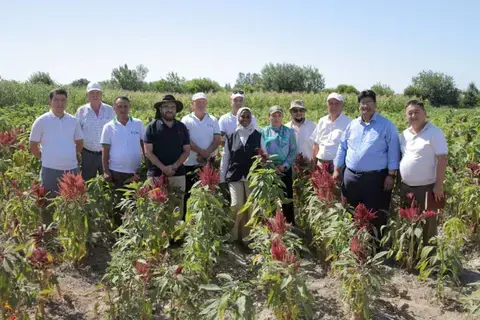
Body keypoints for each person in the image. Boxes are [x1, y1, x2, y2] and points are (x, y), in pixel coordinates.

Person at [333, 90, 400, 234]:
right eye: (363, 103)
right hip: (351, 177)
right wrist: (337, 169)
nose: (366, 106)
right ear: (359, 106)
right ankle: (356, 245)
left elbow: (393, 151)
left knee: (375, 216)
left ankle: (376, 247)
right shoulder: (352, 125)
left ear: (375, 105)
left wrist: (391, 175)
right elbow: (342, 147)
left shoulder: (386, 126)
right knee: (352, 213)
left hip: (375, 179)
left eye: (369, 103)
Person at [29, 88, 83, 224]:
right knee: (48, 202)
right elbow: (33, 145)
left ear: (66, 102)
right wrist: (44, 157)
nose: (60, 103)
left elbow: (79, 143)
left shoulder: (73, 121)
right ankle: (49, 234)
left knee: (72, 202)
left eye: (63, 100)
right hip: (50, 170)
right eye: (56, 100)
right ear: (50, 101)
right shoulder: (42, 121)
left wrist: (67, 155)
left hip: (71, 168)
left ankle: (68, 231)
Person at [399, 100, 447, 243]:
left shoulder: (434, 132)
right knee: (408, 223)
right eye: (410, 113)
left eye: (417, 112)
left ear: (425, 113)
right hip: (406, 186)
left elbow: (442, 159)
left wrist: (438, 186)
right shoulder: (404, 135)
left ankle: (429, 258)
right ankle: (411, 255)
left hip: (427, 187)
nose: (413, 115)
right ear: (406, 116)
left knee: (427, 224)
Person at [220, 107, 266, 244]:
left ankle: (248, 238)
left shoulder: (258, 135)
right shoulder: (231, 136)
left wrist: (264, 166)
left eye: (248, 117)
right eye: (242, 116)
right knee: (236, 204)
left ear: (251, 118)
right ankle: (233, 235)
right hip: (234, 175)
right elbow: (225, 157)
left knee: (251, 207)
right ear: (238, 118)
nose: (245, 119)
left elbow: (264, 155)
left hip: (252, 176)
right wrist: (221, 177)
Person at [144, 95, 191, 217]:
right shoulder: (152, 127)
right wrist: (163, 168)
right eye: (166, 106)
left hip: (178, 173)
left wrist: (174, 167)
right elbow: (148, 152)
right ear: (160, 109)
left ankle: (176, 236)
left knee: (177, 209)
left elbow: (186, 151)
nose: (169, 109)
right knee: (157, 209)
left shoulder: (181, 127)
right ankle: (158, 236)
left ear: (176, 109)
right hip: (156, 174)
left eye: (172, 106)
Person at [181, 93, 220, 216]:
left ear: (206, 104)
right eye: (198, 102)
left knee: (208, 195)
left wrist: (207, 152)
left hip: (208, 163)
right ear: (192, 104)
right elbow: (185, 139)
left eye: (203, 102)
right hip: (190, 163)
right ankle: (189, 222)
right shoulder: (186, 120)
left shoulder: (213, 120)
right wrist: (200, 151)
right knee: (190, 194)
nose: (201, 104)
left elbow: (217, 139)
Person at [262, 106, 298, 224]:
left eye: (279, 115)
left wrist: (285, 165)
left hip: (285, 169)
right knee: (270, 199)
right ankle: (272, 224)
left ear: (282, 117)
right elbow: (262, 151)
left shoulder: (289, 131)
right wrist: (271, 166)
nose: (276, 118)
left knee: (286, 199)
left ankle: (289, 224)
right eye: (273, 115)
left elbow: (293, 151)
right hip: (269, 170)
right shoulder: (264, 132)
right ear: (269, 117)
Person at [75, 82, 114, 181]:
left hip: (106, 154)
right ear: (87, 95)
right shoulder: (81, 111)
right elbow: (76, 133)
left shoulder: (110, 110)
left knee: (108, 182)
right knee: (88, 183)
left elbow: (115, 130)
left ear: (101, 94)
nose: (95, 95)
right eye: (92, 93)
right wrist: (76, 153)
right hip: (87, 154)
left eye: (97, 92)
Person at [312, 93, 351, 173]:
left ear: (342, 105)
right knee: (320, 185)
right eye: (331, 103)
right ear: (327, 105)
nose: (333, 106)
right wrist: (313, 165)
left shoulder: (348, 122)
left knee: (337, 185)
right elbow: (316, 145)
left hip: (338, 165)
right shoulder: (322, 121)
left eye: (337, 104)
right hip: (321, 163)